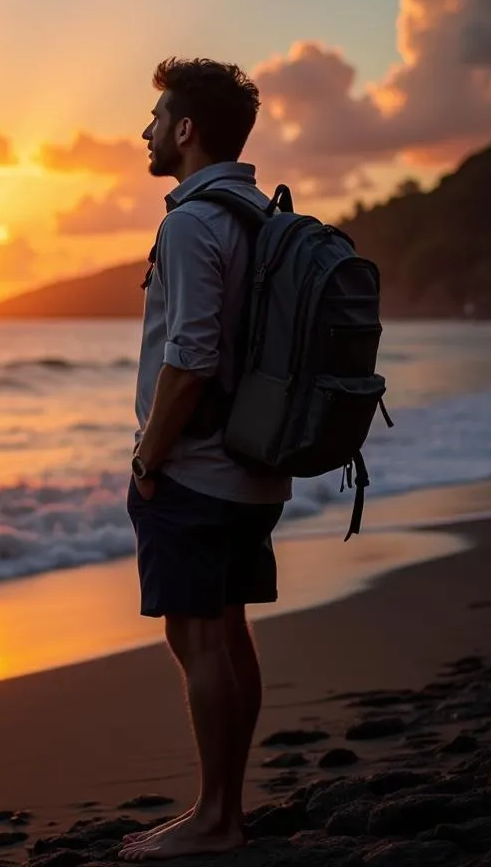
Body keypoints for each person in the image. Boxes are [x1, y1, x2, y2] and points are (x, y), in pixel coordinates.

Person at [119, 57, 292, 862]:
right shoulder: (262, 213)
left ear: (186, 130)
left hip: (196, 469)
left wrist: (149, 459)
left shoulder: (192, 221)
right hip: (256, 462)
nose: (147, 131)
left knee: (198, 641)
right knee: (230, 631)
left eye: (157, 117)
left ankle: (216, 819)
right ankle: (226, 808)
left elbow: (188, 359)